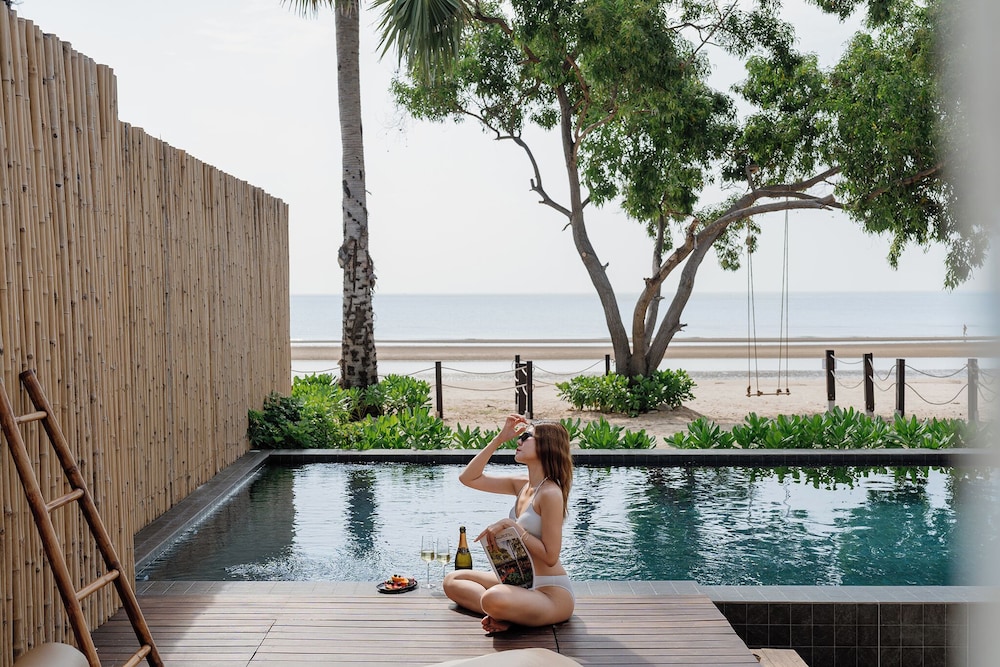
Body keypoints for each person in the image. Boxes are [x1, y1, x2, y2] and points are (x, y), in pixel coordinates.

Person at [443, 414, 575, 634]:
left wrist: (512, 526)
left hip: (549, 592)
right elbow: (468, 478)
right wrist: (498, 440)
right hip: (518, 583)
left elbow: (551, 556)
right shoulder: (522, 485)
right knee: (453, 580)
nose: (519, 440)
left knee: (493, 597)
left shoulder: (550, 493)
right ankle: (505, 614)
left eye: (526, 436)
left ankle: (503, 610)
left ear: (546, 446)